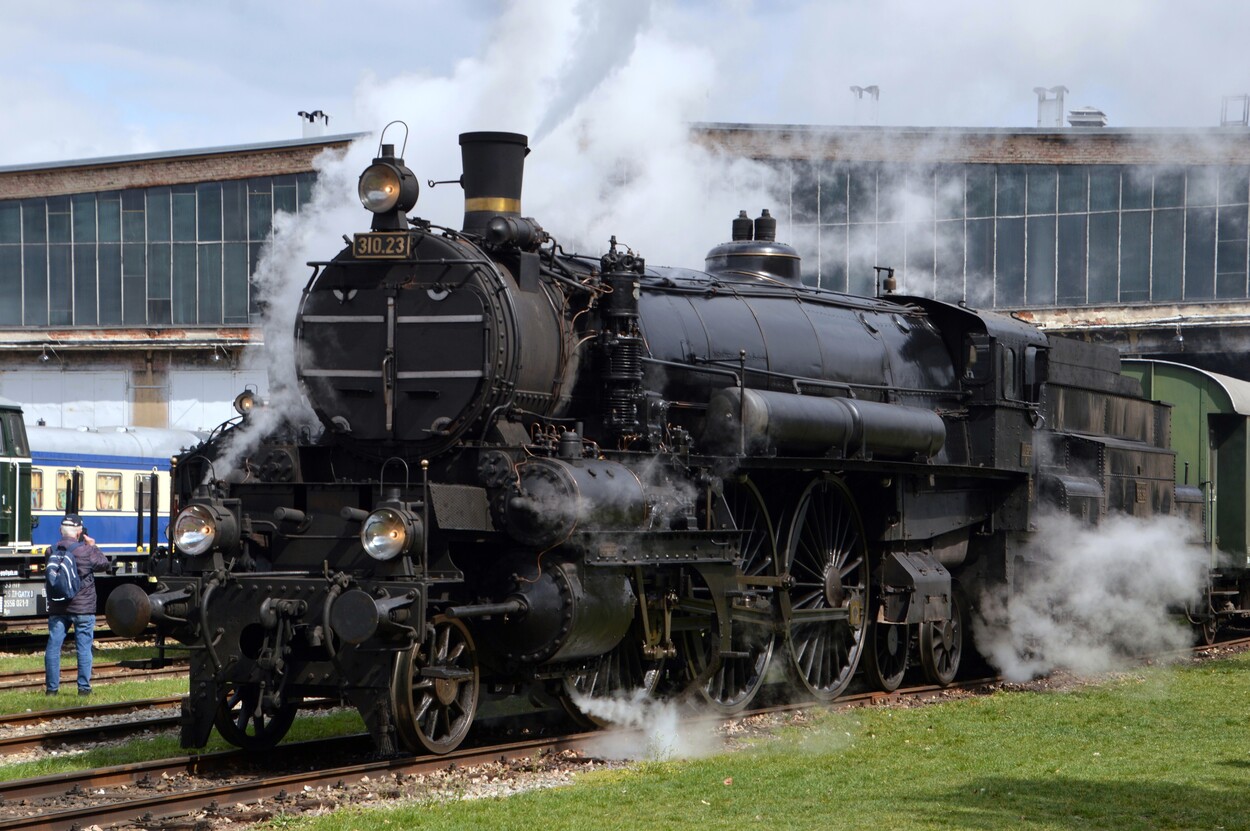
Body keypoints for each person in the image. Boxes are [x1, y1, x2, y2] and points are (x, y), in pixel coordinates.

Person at [44, 513, 110, 696]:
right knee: (83, 648)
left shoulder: (50, 551)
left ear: (60, 531)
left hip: (58, 606)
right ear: (79, 532)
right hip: (83, 608)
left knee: (53, 646)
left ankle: (51, 689)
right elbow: (104, 564)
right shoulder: (86, 551)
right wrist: (93, 545)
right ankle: (83, 688)